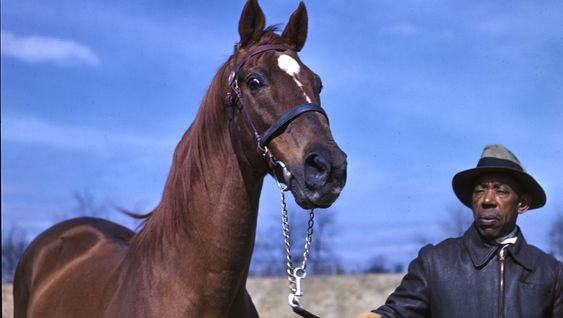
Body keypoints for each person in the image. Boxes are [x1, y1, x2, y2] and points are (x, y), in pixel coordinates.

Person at [355, 144, 563, 318]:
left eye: (500, 190)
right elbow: (396, 314)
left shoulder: (550, 272)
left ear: (522, 204)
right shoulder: (434, 262)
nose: (487, 200)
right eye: (480, 190)